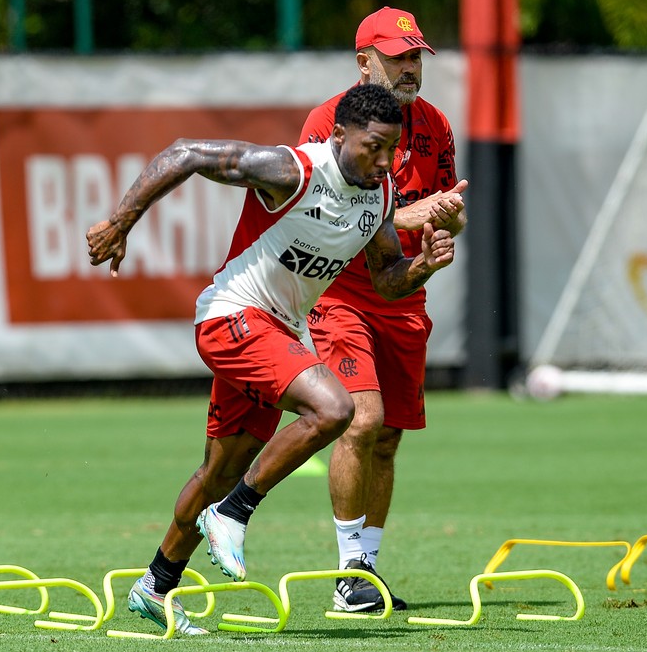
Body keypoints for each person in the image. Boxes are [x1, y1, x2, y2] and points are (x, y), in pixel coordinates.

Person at [86, 83, 455, 636]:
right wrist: (121, 221)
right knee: (335, 409)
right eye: (373, 146)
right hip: (231, 317)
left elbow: (385, 279)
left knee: (219, 470)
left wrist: (422, 266)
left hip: (276, 332)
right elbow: (184, 153)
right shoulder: (292, 170)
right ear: (338, 136)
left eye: (393, 149)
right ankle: (235, 513)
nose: (385, 161)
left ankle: (155, 586)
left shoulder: (378, 196)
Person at [298, 6, 468, 613]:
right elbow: (320, 212)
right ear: (363, 61)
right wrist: (408, 216)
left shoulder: (435, 124)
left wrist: (447, 222)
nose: (411, 67)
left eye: (416, 55)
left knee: (390, 437)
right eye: (398, 56)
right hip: (339, 292)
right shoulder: (327, 122)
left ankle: (366, 570)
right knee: (362, 420)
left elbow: (451, 208)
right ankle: (347, 577)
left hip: (402, 293)